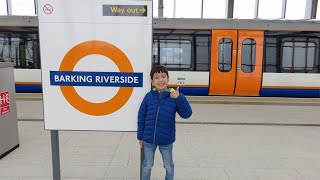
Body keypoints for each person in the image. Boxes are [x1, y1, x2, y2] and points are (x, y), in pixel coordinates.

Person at [137, 65, 192, 180]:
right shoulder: (148, 97)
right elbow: (141, 117)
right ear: (152, 82)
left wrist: (179, 98)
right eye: (156, 77)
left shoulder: (174, 96)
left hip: (166, 141)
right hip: (148, 140)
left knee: (169, 166)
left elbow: (187, 114)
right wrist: (140, 137)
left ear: (168, 78)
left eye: (163, 76)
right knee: (147, 165)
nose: (160, 80)